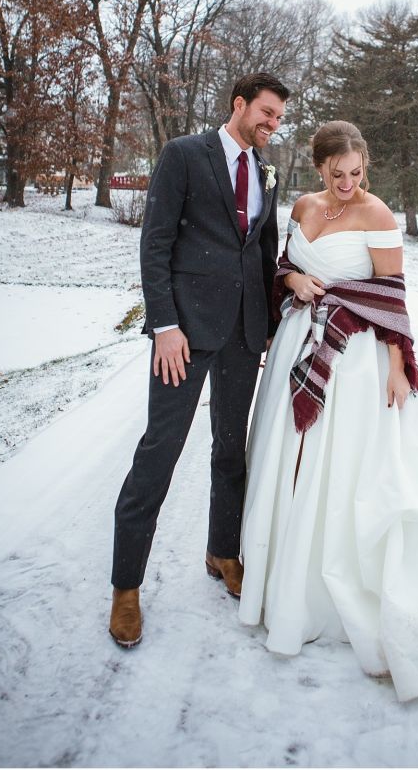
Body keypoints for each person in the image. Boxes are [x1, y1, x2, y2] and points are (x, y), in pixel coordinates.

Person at [239, 120, 418, 701]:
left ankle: (351, 592)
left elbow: (391, 297)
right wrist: (294, 278)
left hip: (357, 361)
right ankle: (288, 578)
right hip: (300, 341)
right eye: (336, 174)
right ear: (319, 169)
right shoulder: (303, 205)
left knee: (349, 474)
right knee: (290, 466)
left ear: (367, 165)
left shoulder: (379, 215)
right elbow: (283, 267)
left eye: (356, 172)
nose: (346, 183)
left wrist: (398, 368)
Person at [109, 72, 289, 648]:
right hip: (183, 335)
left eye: (279, 118)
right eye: (266, 112)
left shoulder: (266, 172)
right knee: (159, 453)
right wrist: (164, 325)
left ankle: (222, 552)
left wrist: (269, 324)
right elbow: (155, 242)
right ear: (239, 105)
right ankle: (126, 587)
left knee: (230, 449)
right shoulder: (184, 154)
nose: (272, 124)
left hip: (242, 333)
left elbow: (262, 251)